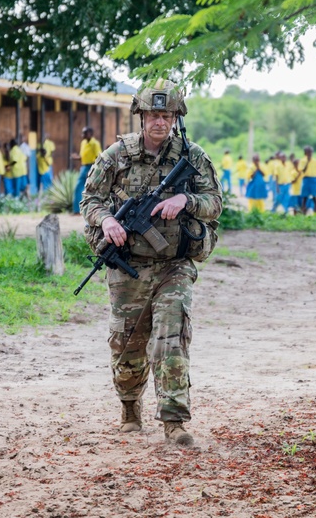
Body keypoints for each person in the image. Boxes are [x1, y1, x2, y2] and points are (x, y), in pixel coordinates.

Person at [81, 81, 222, 447]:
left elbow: (214, 203)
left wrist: (185, 200)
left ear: (175, 118)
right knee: (127, 344)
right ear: (141, 117)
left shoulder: (193, 156)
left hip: (174, 265)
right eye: (153, 115)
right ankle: (130, 408)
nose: (159, 122)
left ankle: (174, 421)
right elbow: (90, 199)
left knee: (170, 339)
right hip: (129, 265)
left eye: (166, 115)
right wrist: (107, 222)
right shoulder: (116, 155)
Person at [73, 127, 102, 214]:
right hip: (84, 167)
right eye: (82, 133)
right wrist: (76, 157)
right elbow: (82, 156)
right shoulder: (83, 143)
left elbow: (99, 157)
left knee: (92, 190)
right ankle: (77, 210)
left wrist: (93, 170)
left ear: (90, 134)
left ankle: (91, 211)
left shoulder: (95, 144)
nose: (82, 135)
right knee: (78, 188)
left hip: (92, 167)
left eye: (84, 133)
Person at [297, 146, 316, 214]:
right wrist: (307, 162)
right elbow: (302, 170)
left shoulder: (315, 161)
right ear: (305, 152)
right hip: (306, 179)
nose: (310, 153)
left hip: (314, 179)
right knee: (305, 195)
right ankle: (303, 209)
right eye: (308, 152)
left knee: (314, 195)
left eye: (311, 152)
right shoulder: (303, 160)